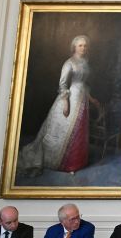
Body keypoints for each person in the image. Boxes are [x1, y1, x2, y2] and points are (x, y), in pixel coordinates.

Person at [18, 35, 101, 177]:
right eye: (80, 45)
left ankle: (76, 163)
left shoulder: (86, 63)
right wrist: (66, 103)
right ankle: (65, 164)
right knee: (65, 132)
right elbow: (63, 84)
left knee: (79, 132)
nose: (83, 48)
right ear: (74, 47)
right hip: (71, 99)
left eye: (85, 45)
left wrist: (92, 99)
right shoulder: (69, 63)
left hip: (82, 102)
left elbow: (84, 85)